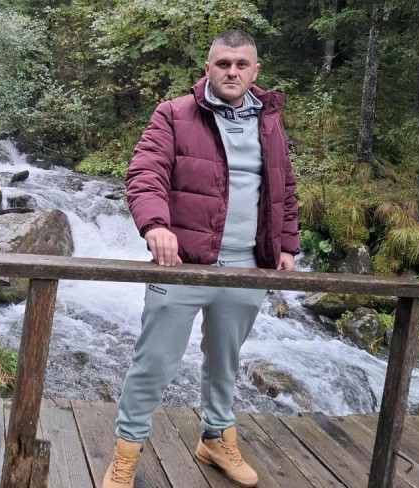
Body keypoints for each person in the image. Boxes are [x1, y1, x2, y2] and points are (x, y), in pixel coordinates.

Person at [102, 29, 299, 488]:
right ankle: (125, 455)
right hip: (183, 264)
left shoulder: (269, 122)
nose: (232, 72)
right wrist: (155, 225)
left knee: (225, 361)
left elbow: (284, 188)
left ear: (255, 71)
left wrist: (287, 246)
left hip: (247, 266)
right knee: (154, 362)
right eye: (223, 63)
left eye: (241, 64)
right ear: (208, 68)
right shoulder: (173, 113)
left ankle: (215, 439)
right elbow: (145, 172)